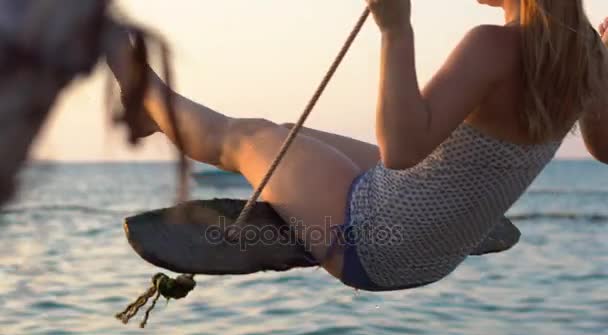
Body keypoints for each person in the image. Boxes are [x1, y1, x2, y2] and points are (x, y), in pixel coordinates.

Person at [106, 0, 608, 291]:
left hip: (373, 244)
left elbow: (403, 150)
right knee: (286, 137)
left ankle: (145, 94)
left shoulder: (491, 46)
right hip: (435, 254)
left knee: (244, 139)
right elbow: (602, 147)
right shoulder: (588, 51)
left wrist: (396, 29)